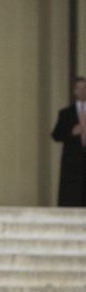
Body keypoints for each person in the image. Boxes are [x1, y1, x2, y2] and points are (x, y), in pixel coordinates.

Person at [51, 77, 86, 206]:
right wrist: (71, 132)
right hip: (72, 161)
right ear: (74, 91)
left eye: (85, 88)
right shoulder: (65, 113)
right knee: (72, 195)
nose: (82, 91)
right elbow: (56, 135)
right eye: (79, 88)